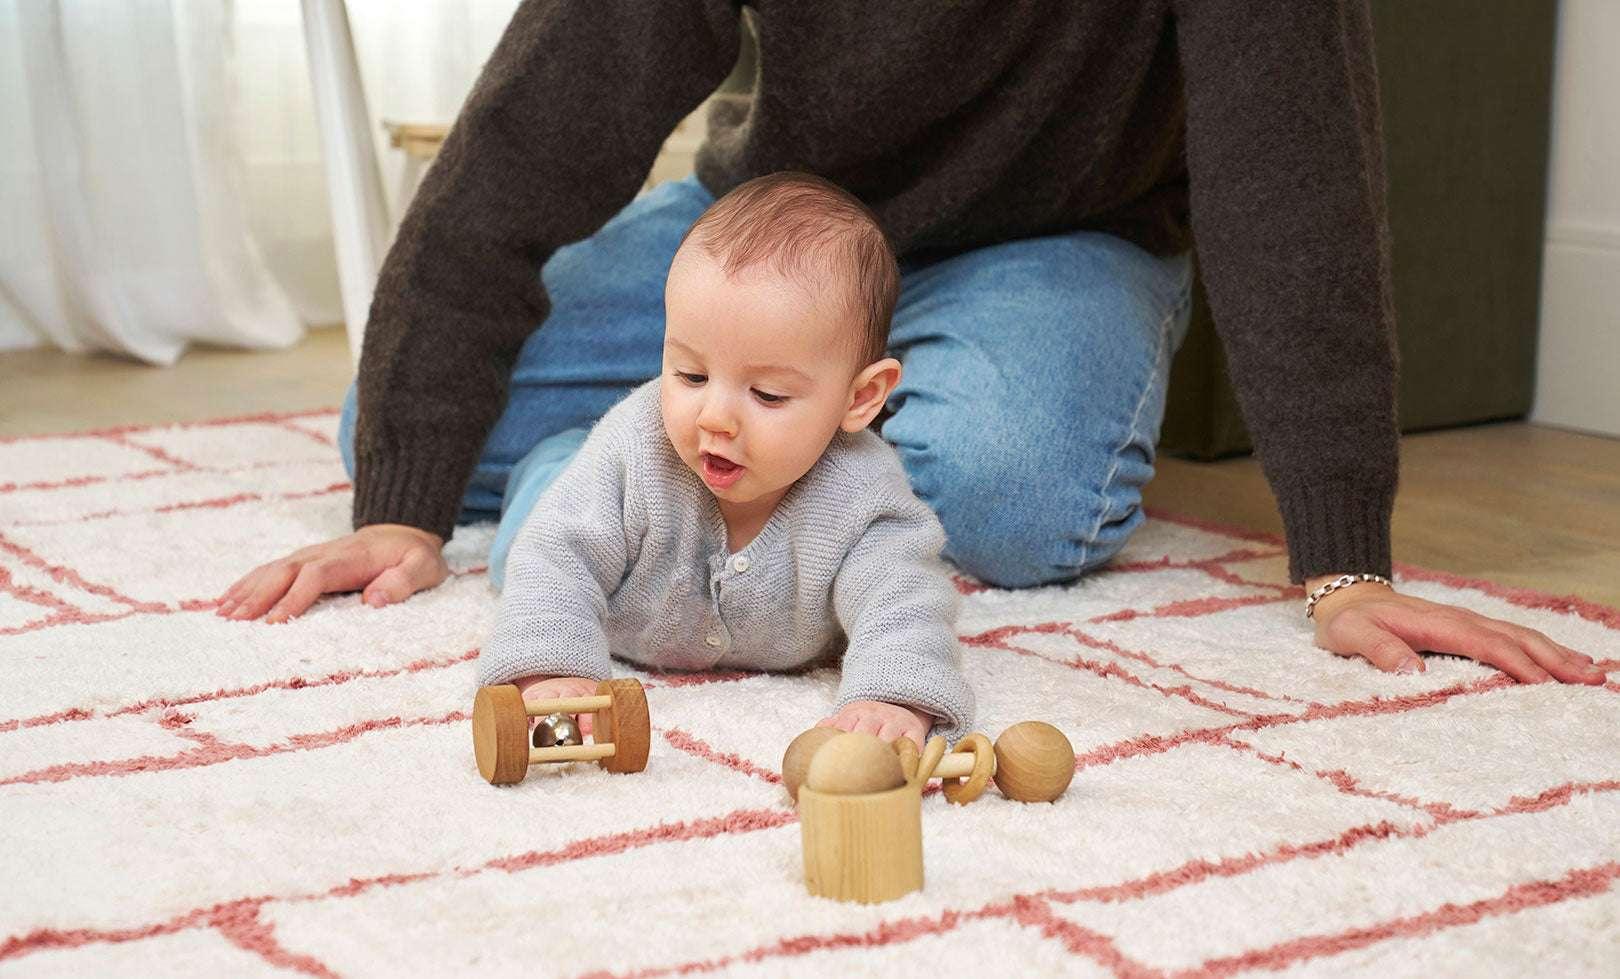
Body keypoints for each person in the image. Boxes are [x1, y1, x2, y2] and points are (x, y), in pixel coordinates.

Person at [216, 2, 1604, 688]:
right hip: (777, 230)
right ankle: (604, 471)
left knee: (1005, 484)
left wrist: (1342, 548)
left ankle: (633, 465)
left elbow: (1291, 169)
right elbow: (527, 140)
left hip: (1058, 237)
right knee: (390, 431)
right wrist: (401, 503)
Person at [480, 172, 973, 747]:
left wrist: (893, 696)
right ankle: (548, 464)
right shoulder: (636, 449)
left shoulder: (863, 494)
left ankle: (561, 454)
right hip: (579, 510)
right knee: (522, 543)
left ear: (860, 398)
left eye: (767, 395)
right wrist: (551, 669)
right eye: (690, 375)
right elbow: (556, 556)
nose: (715, 417)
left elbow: (904, 598)